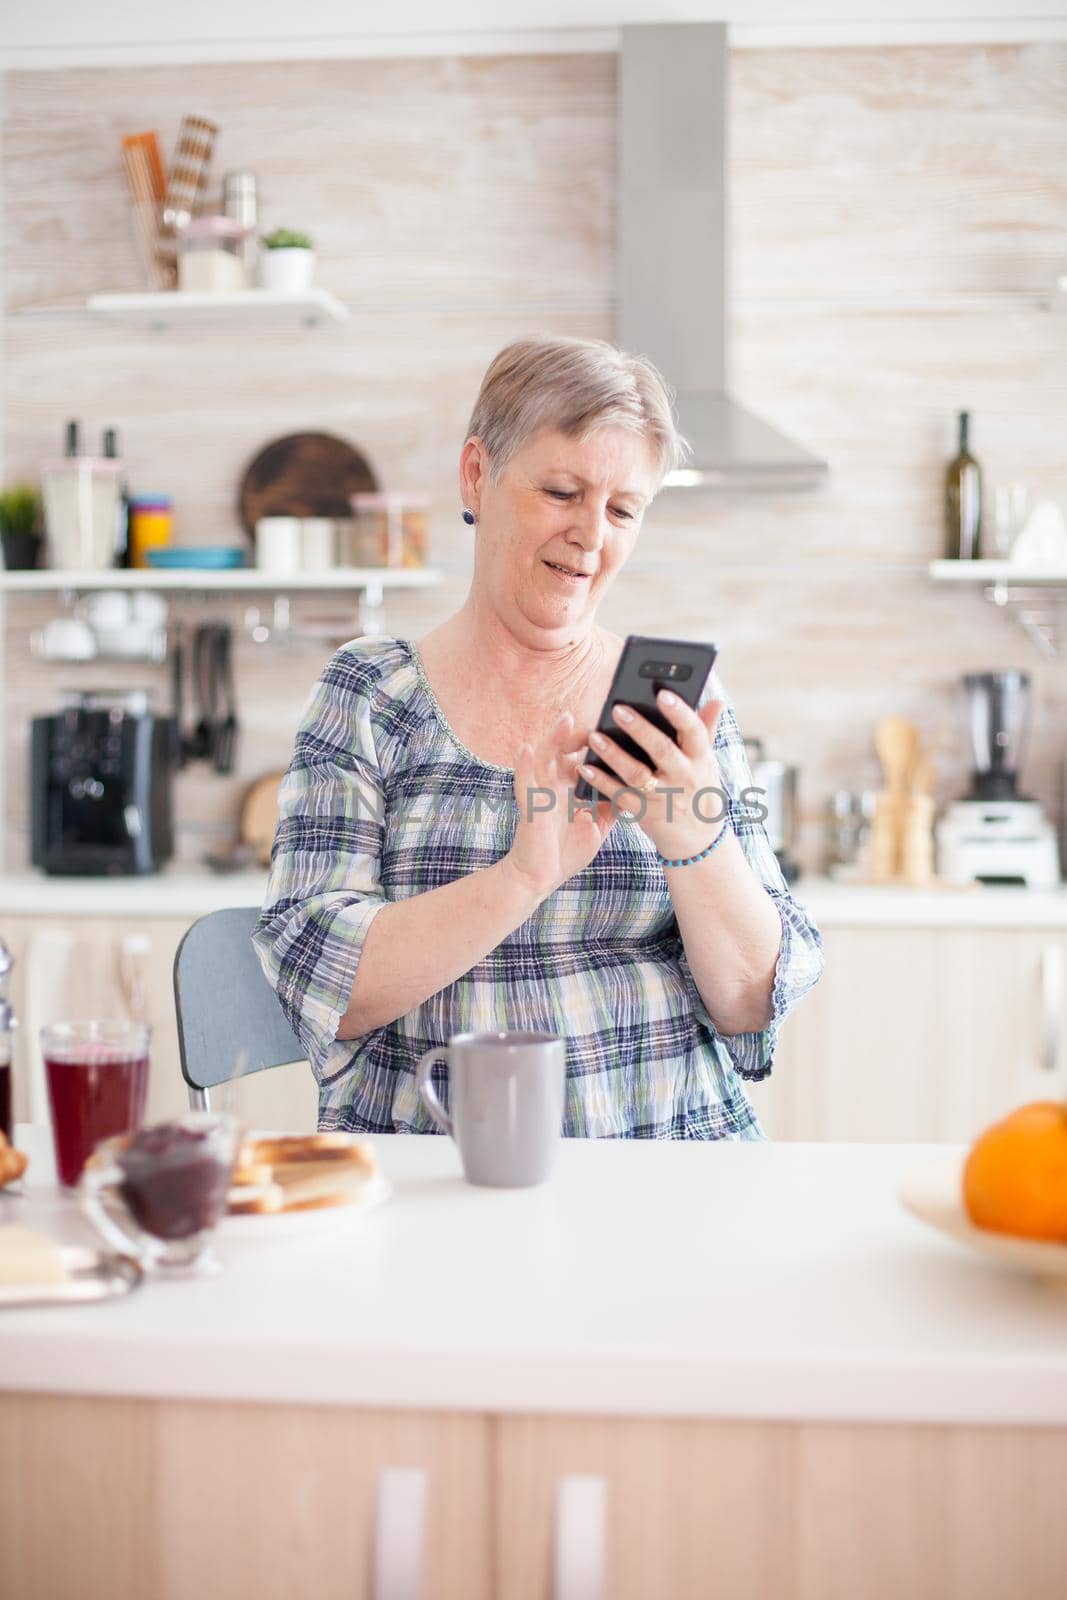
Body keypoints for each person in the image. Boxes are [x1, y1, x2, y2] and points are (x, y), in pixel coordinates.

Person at [253, 335, 824, 1138]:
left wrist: (694, 838)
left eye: (623, 510)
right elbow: (319, 981)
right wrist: (521, 877)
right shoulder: (371, 693)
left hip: (672, 1159)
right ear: (477, 475)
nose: (592, 535)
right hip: (440, 1167)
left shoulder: (676, 706)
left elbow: (749, 1007)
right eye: (562, 491)